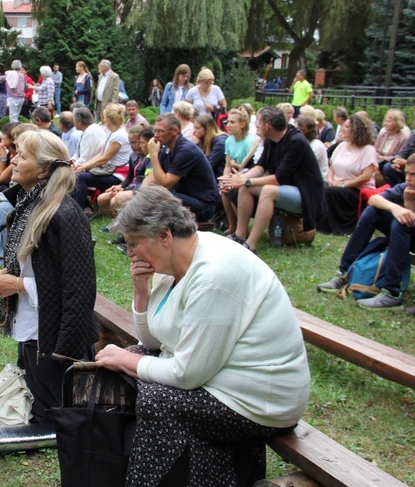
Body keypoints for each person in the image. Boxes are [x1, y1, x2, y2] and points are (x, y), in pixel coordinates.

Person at [95, 185, 309, 485]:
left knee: (157, 399)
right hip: (220, 380)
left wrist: (125, 360)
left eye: (133, 243)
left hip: (261, 400)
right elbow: (153, 343)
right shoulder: (176, 261)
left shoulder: (213, 274)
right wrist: (141, 291)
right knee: (135, 366)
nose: (129, 253)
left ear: (164, 236)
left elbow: (186, 375)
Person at [0, 129, 98, 423]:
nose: (14, 160)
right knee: (35, 404)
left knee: (53, 415)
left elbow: (77, 290)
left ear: (44, 169)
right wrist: (11, 275)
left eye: (22, 155)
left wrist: (18, 285)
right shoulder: (30, 204)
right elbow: (37, 265)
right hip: (35, 328)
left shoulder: (65, 215)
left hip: (55, 337)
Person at [317, 150, 415, 313]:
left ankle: (392, 293)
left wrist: (408, 205)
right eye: (406, 173)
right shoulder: (408, 187)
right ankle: (345, 273)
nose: (407, 178)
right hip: (413, 234)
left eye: (413, 174)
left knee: (401, 223)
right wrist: (395, 207)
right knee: (372, 212)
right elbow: (373, 198)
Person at [218, 106, 324, 253]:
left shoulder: (296, 142)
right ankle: (240, 235)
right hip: (285, 188)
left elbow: (278, 178)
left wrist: (245, 181)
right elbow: (261, 166)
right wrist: (239, 179)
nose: (255, 126)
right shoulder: (270, 139)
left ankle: (250, 245)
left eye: (258, 122)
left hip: (306, 195)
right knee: (244, 187)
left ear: (267, 126)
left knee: (267, 191)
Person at [143, 113, 220, 222]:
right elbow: (153, 176)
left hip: (203, 205)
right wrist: (142, 193)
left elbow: (165, 184)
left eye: (160, 131)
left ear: (175, 131)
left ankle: (138, 231)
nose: (155, 135)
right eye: (154, 131)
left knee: (160, 195)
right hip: (183, 197)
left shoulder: (186, 151)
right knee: (148, 193)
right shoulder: (167, 149)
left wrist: (154, 155)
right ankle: (132, 230)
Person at [317, 115, 378, 235]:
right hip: (337, 185)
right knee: (320, 188)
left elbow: (366, 176)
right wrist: (330, 180)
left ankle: (337, 227)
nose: (343, 129)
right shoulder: (341, 146)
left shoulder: (368, 150)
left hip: (357, 190)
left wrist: (344, 184)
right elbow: (332, 168)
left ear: (356, 130)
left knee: (330, 192)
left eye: (347, 127)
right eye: (343, 126)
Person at [72, 103, 132, 213]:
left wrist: (84, 167)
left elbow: (104, 158)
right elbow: (100, 155)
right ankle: (80, 208)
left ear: (108, 119)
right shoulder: (112, 133)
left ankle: (78, 211)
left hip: (119, 175)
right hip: (110, 171)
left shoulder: (119, 135)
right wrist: (83, 166)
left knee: (82, 178)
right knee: (81, 176)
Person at [97, 125, 152, 219]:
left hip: (139, 188)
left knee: (115, 200)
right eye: (129, 143)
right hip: (130, 186)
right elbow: (130, 177)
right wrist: (120, 186)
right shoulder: (133, 155)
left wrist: (124, 190)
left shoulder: (148, 157)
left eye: (134, 143)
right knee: (101, 199)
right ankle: (117, 221)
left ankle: (123, 223)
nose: (131, 146)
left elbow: (144, 181)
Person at [382, 108, 415, 187]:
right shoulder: (414, 134)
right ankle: (400, 192)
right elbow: (403, 152)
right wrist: (397, 161)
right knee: (388, 167)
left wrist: (407, 163)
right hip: (407, 165)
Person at [374, 109, 410, 180]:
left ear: (397, 123)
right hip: (378, 160)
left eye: (389, 121)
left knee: (386, 167)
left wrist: (383, 158)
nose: (385, 123)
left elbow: (400, 155)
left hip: (390, 162)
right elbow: (376, 149)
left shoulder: (403, 138)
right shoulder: (383, 134)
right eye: (385, 121)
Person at [194, 114, 228, 181]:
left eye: (197, 128)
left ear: (207, 129)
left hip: (217, 179)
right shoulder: (202, 141)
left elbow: (209, 165)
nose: (194, 131)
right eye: (194, 128)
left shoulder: (220, 142)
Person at [295, 115, 328, 181]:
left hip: (318, 181)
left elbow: (302, 164)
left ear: (304, 130)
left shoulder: (317, 145)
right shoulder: (300, 143)